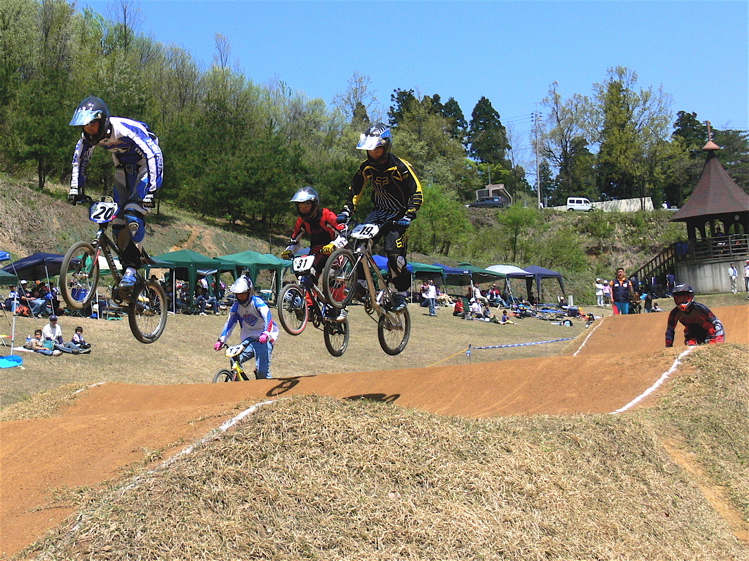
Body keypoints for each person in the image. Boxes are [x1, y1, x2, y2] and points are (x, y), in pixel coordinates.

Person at [68, 96, 163, 290]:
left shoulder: (125, 129)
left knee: (132, 213)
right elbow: (79, 160)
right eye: (85, 127)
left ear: (102, 121)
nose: (89, 131)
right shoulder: (86, 139)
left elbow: (154, 154)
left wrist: (152, 190)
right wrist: (75, 188)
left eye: (92, 126)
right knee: (118, 223)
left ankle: (134, 268)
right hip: (122, 169)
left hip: (145, 166)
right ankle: (127, 266)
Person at [336, 123, 423, 312]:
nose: (374, 154)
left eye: (377, 149)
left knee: (394, 255)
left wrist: (409, 214)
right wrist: (346, 211)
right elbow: (355, 190)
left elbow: (416, 191)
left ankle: (401, 294)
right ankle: (361, 283)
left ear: (386, 146)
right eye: (370, 150)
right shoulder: (366, 167)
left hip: (398, 214)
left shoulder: (401, 166)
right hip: (378, 213)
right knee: (357, 244)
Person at [281, 186, 347, 321]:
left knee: (333, 275)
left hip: (335, 248)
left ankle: (339, 308)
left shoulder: (327, 215)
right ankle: (310, 307)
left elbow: (343, 233)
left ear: (314, 204)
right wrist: (288, 251)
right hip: (317, 250)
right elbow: (294, 241)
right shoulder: (301, 221)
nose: (303, 208)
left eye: (306, 205)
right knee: (307, 275)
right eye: (300, 206)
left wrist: (333, 245)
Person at [214, 276, 278, 379]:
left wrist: (266, 333)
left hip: (264, 339)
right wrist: (221, 340)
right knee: (234, 358)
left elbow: (268, 318)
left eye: (243, 294)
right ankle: (240, 383)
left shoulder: (257, 302)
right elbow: (229, 324)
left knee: (262, 373)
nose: (241, 297)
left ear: (249, 292)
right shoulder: (236, 307)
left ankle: (267, 386)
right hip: (248, 340)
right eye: (238, 295)